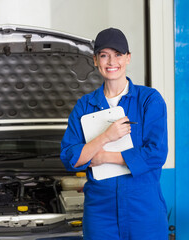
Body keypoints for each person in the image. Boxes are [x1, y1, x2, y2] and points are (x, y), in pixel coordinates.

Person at [60, 27, 168, 240]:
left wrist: (104, 157)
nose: (112, 62)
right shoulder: (84, 106)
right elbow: (70, 158)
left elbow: (156, 153)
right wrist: (106, 137)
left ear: (128, 58)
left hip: (143, 210)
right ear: (95, 60)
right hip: (101, 212)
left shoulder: (149, 100)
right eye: (104, 55)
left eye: (118, 54)